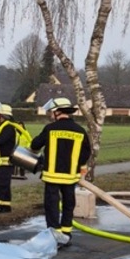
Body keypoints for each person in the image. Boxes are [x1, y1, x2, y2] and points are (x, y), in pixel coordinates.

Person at [30, 97, 92, 247]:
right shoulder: (80, 131)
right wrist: (78, 167)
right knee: (68, 204)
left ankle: (53, 235)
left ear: (58, 112)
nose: (51, 114)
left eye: (52, 111)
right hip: (70, 177)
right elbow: (86, 153)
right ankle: (66, 234)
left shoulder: (50, 129)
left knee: (52, 205)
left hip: (52, 176)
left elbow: (35, 145)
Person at [0, 103, 32, 214]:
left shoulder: (8, 127)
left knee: (0, 184)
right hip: (3, 161)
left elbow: (0, 140)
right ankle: (5, 206)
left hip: (6, 161)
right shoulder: (5, 127)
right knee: (5, 184)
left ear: (2, 115)